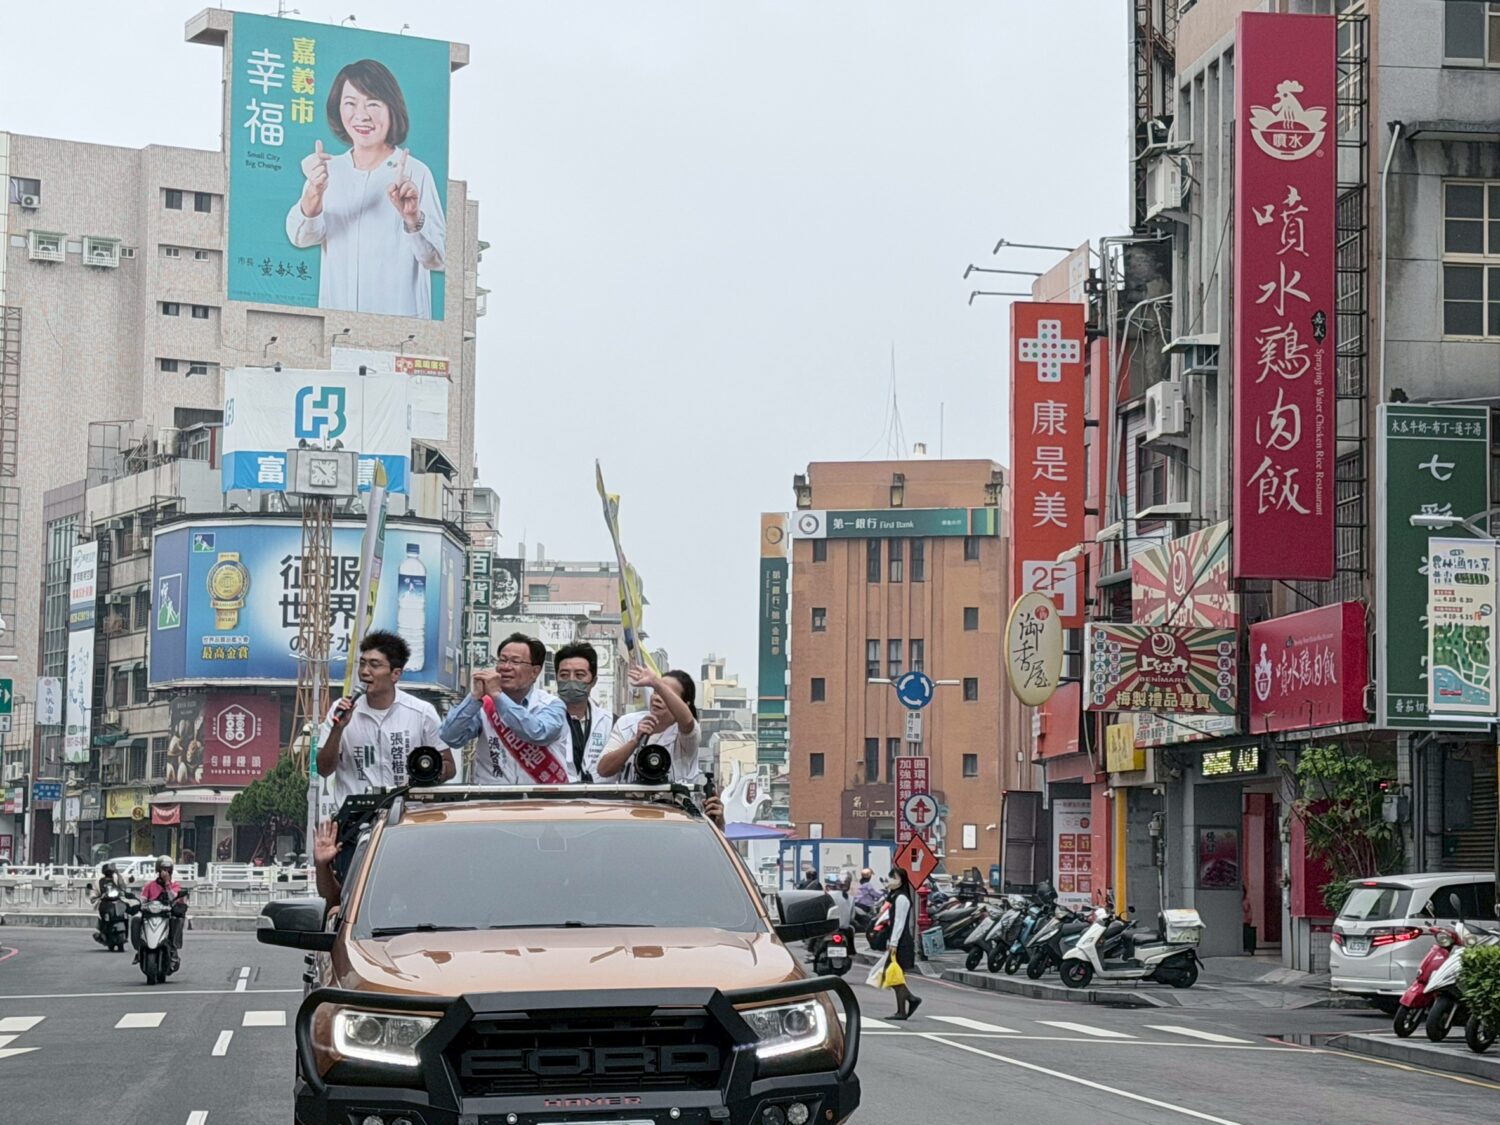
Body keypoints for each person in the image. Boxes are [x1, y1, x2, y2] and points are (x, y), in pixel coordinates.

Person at [285, 58, 447, 318]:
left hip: (402, 330)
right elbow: (301, 237)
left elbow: (437, 258)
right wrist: (314, 192)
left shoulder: (416, 173)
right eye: (350, 104)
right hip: (339, 328)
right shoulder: (329, 171)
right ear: (338, 109)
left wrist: (413, 218)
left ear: (392, 109)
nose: (361, 115)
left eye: (373, 103)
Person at [317, 630, 454, 803]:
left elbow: (449, 766)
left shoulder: (422, 712)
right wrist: (338, 729)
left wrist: (430, 771)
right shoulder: (341, 710)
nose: (365, 672)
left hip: (406, 814)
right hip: (357, 817)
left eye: (374, 665)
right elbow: (323, 769)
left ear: (395, 674)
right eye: (362, 664)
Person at [440, 633, 573, 784]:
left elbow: (538, 733)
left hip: (541, 799)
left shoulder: (552, 704)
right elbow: (449, 737)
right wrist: (473, 698)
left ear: (535, 672)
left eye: (515, 662)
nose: (505, 667)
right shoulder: (484, 704)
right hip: (492, 799)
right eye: (502, 660)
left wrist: (498, 696)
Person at [595, 666, 700, 784]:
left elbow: (687, 721)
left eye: (665, 694)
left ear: (685, 704)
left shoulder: (687, 734)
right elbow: (603, 770)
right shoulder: (627, 723)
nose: (657, 698)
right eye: (655, 692)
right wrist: (635, 741)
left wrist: (655, 682)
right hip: (631, 801)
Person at [554, 641, 615, 783]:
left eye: (579, 675)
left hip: (599, 801)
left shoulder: (610, 722)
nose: (571, 681)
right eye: (564, 675)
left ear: (593, 681)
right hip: (554, 799)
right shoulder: (540, 717)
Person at [880, 866, 923, 1020]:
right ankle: (905, 1006)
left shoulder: (901, 898)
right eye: (890, 877)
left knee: (893, 975)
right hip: (897, 940)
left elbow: (899, 921)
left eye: (894, 878)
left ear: (901, 881)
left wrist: (894, 944)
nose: (890, 881)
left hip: (901, 942)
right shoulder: (894, 897)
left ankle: (908, 1003)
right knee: (894, 976)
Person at [138, 856, 188, 971]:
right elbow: (143, 900)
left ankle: (173, 949)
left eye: (168, 870)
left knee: (177, 920)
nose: (166, 873)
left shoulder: (174, 885)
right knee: (136, 919)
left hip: (166, 916)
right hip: (151, 915)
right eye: (163, 870)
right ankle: (139, 948)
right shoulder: (149, 885)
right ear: (158, 871)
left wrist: (167, 884)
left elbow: (172, 897)